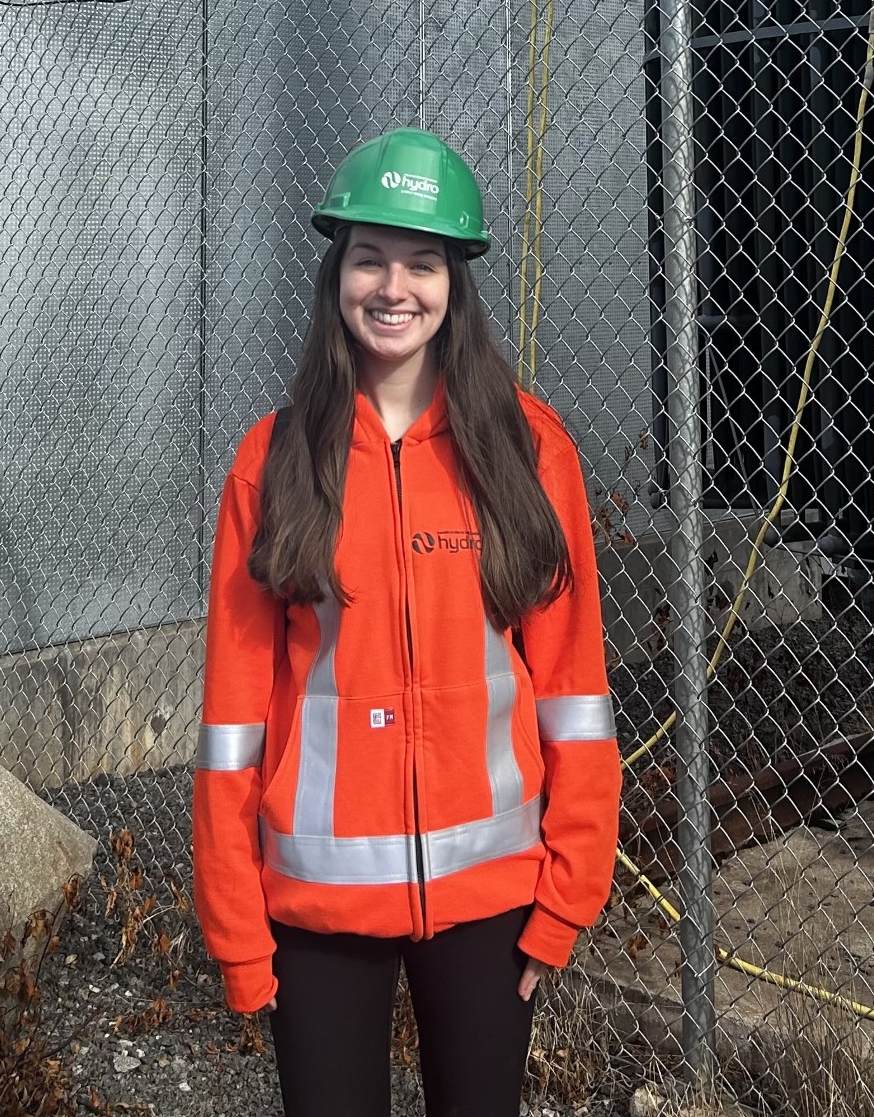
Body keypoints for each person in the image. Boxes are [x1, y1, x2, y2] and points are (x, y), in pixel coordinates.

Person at [193, 127, 622, 1117]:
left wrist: (566, 895)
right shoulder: (277, 461)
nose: (394, 288)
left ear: (455, 281)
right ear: (336, 273)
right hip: (317, 910)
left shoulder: (528, 448)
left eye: (421, 262)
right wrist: (237, 931)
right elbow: (231, 719)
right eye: (370, 259)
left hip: (493, 903)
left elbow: (574, 691)